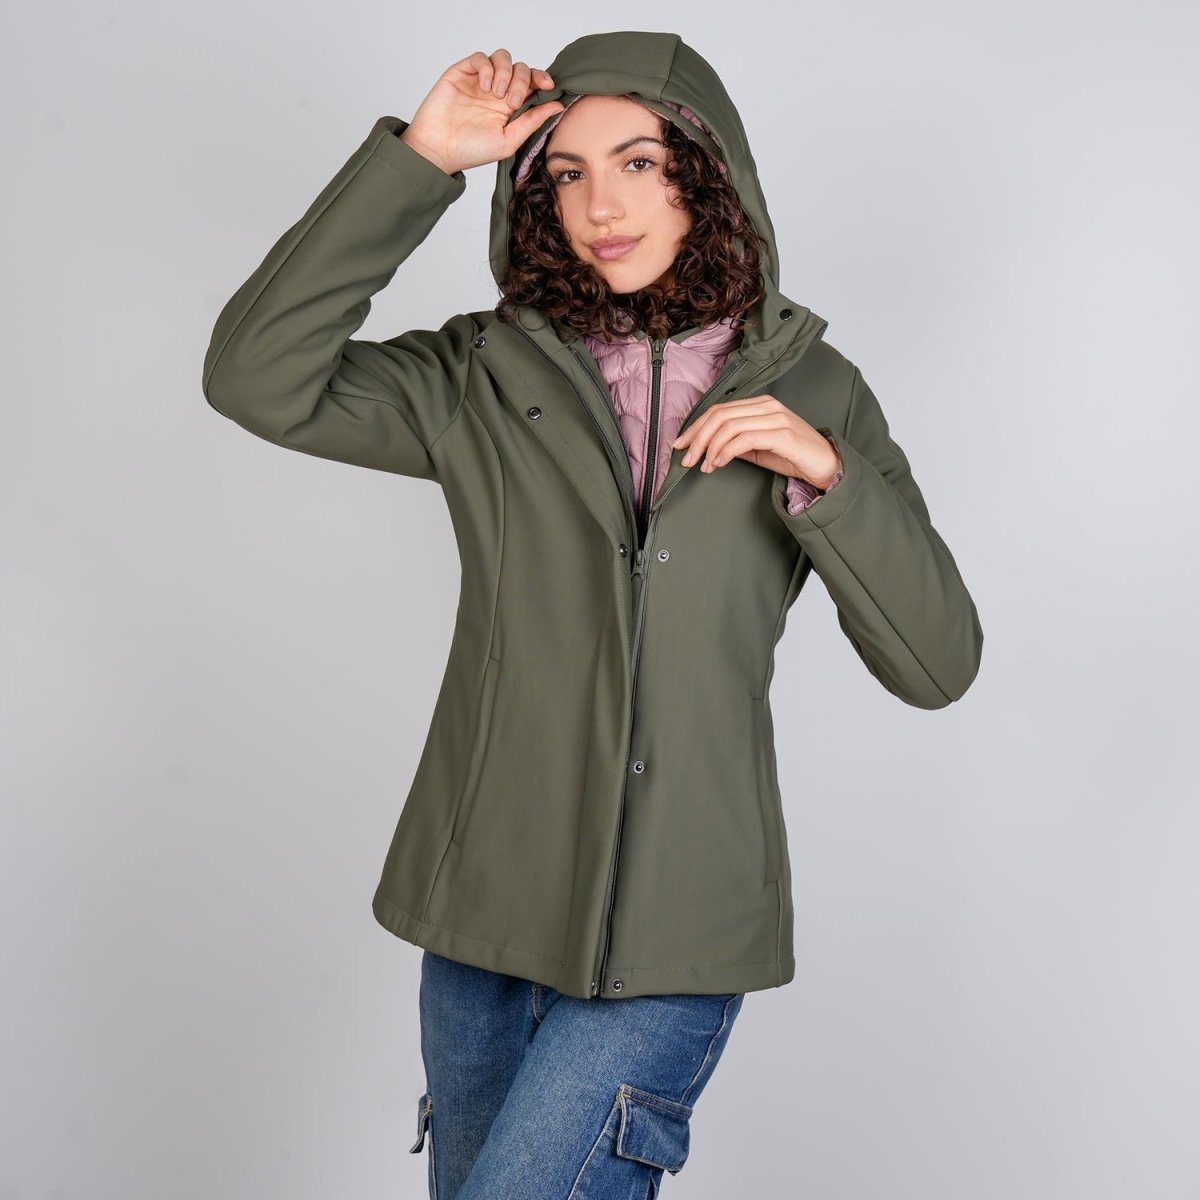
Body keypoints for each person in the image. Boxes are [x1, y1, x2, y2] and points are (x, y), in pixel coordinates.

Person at [202, 30, 984, 1199]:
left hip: (681, 928)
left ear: (708, 179)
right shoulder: (478, 377)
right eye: (565, 174)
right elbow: (255, 375)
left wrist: (830, 479)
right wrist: (423, 158)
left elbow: (938, 662)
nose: (600, 207)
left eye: (639, 164)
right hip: (479, 917)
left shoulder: (817, 392)